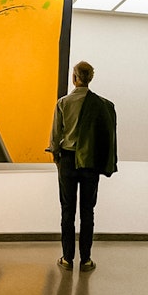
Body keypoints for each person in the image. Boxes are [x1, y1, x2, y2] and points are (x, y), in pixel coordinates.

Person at [48, 61, 118, 272]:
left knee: (67, 210)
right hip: (90, 162)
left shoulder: (63, 103)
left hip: (68, 161)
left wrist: (56, 158)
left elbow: (55, 138)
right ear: (90, 78)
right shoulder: (103, 105)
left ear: (74, 78)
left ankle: (67, 258)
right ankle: (86, 260)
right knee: (88, 211)